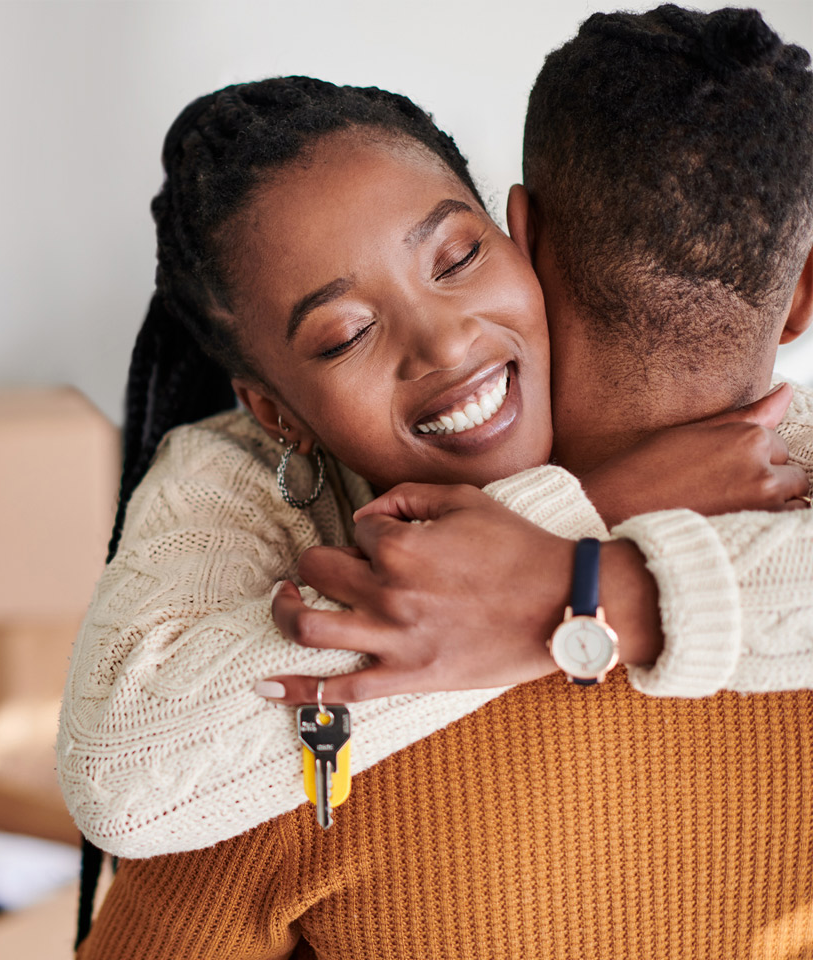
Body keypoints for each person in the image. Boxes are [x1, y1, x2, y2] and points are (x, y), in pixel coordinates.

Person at [70, 7, 813, 958]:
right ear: (275, 412)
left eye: (456, 258)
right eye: (342, 334)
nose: (445, 342)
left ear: (521, 239)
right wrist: (597, 511)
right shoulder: (235, 481)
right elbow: (122, 770)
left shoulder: (774, 442)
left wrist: (576, 583)